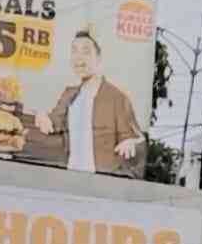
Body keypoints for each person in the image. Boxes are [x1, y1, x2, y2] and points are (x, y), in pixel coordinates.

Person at [34, 31, 145, 174]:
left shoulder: (116, 97)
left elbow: (138, 140)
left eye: (86, 51)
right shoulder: (69, 94)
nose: (78, 57)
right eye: (74, 51)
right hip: (70, 175)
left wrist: (132, 143)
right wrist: (42, 116)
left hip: (102, 181)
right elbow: (53, 123)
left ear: (98, 57)